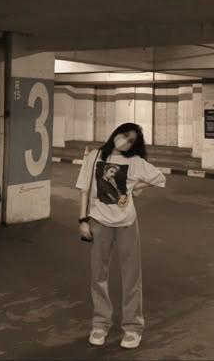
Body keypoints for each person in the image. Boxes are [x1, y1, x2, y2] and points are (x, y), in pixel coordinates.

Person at [75, 122, 166, 349]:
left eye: (131, 140)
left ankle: (133, 327)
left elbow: (160, 178)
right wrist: (83, 220)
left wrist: (137, 186)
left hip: (127, 223)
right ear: (116, 133)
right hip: (98, 221)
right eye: (124, 135)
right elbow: (84, 188)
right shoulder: (95, 156)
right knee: (98, 276)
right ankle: (100, 324)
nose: (125, 140)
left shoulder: (134, 162)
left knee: (131, 276)